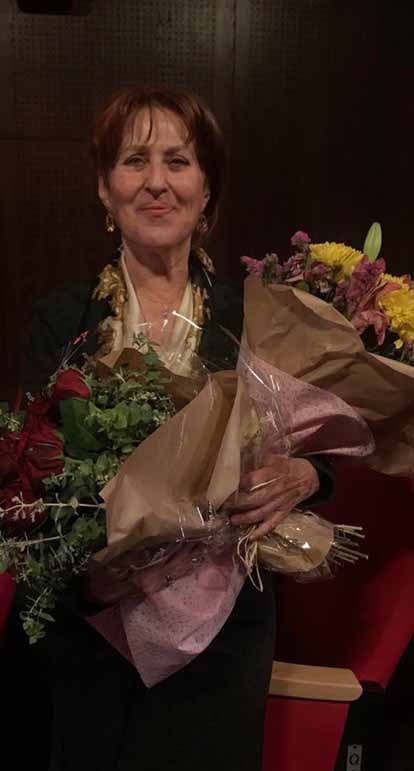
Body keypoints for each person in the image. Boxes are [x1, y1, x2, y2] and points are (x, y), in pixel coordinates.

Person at [17, 89, 333, 771]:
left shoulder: (258, 318)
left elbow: (327, 440)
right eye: (134, 161)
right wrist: (91, 577)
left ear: (206, 188)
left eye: (178, 161)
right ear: (105, 189)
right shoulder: (61, 318)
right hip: (92, 626)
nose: (156, 182)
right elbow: (24, 476)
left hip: (221, 633)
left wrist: (305, 473)